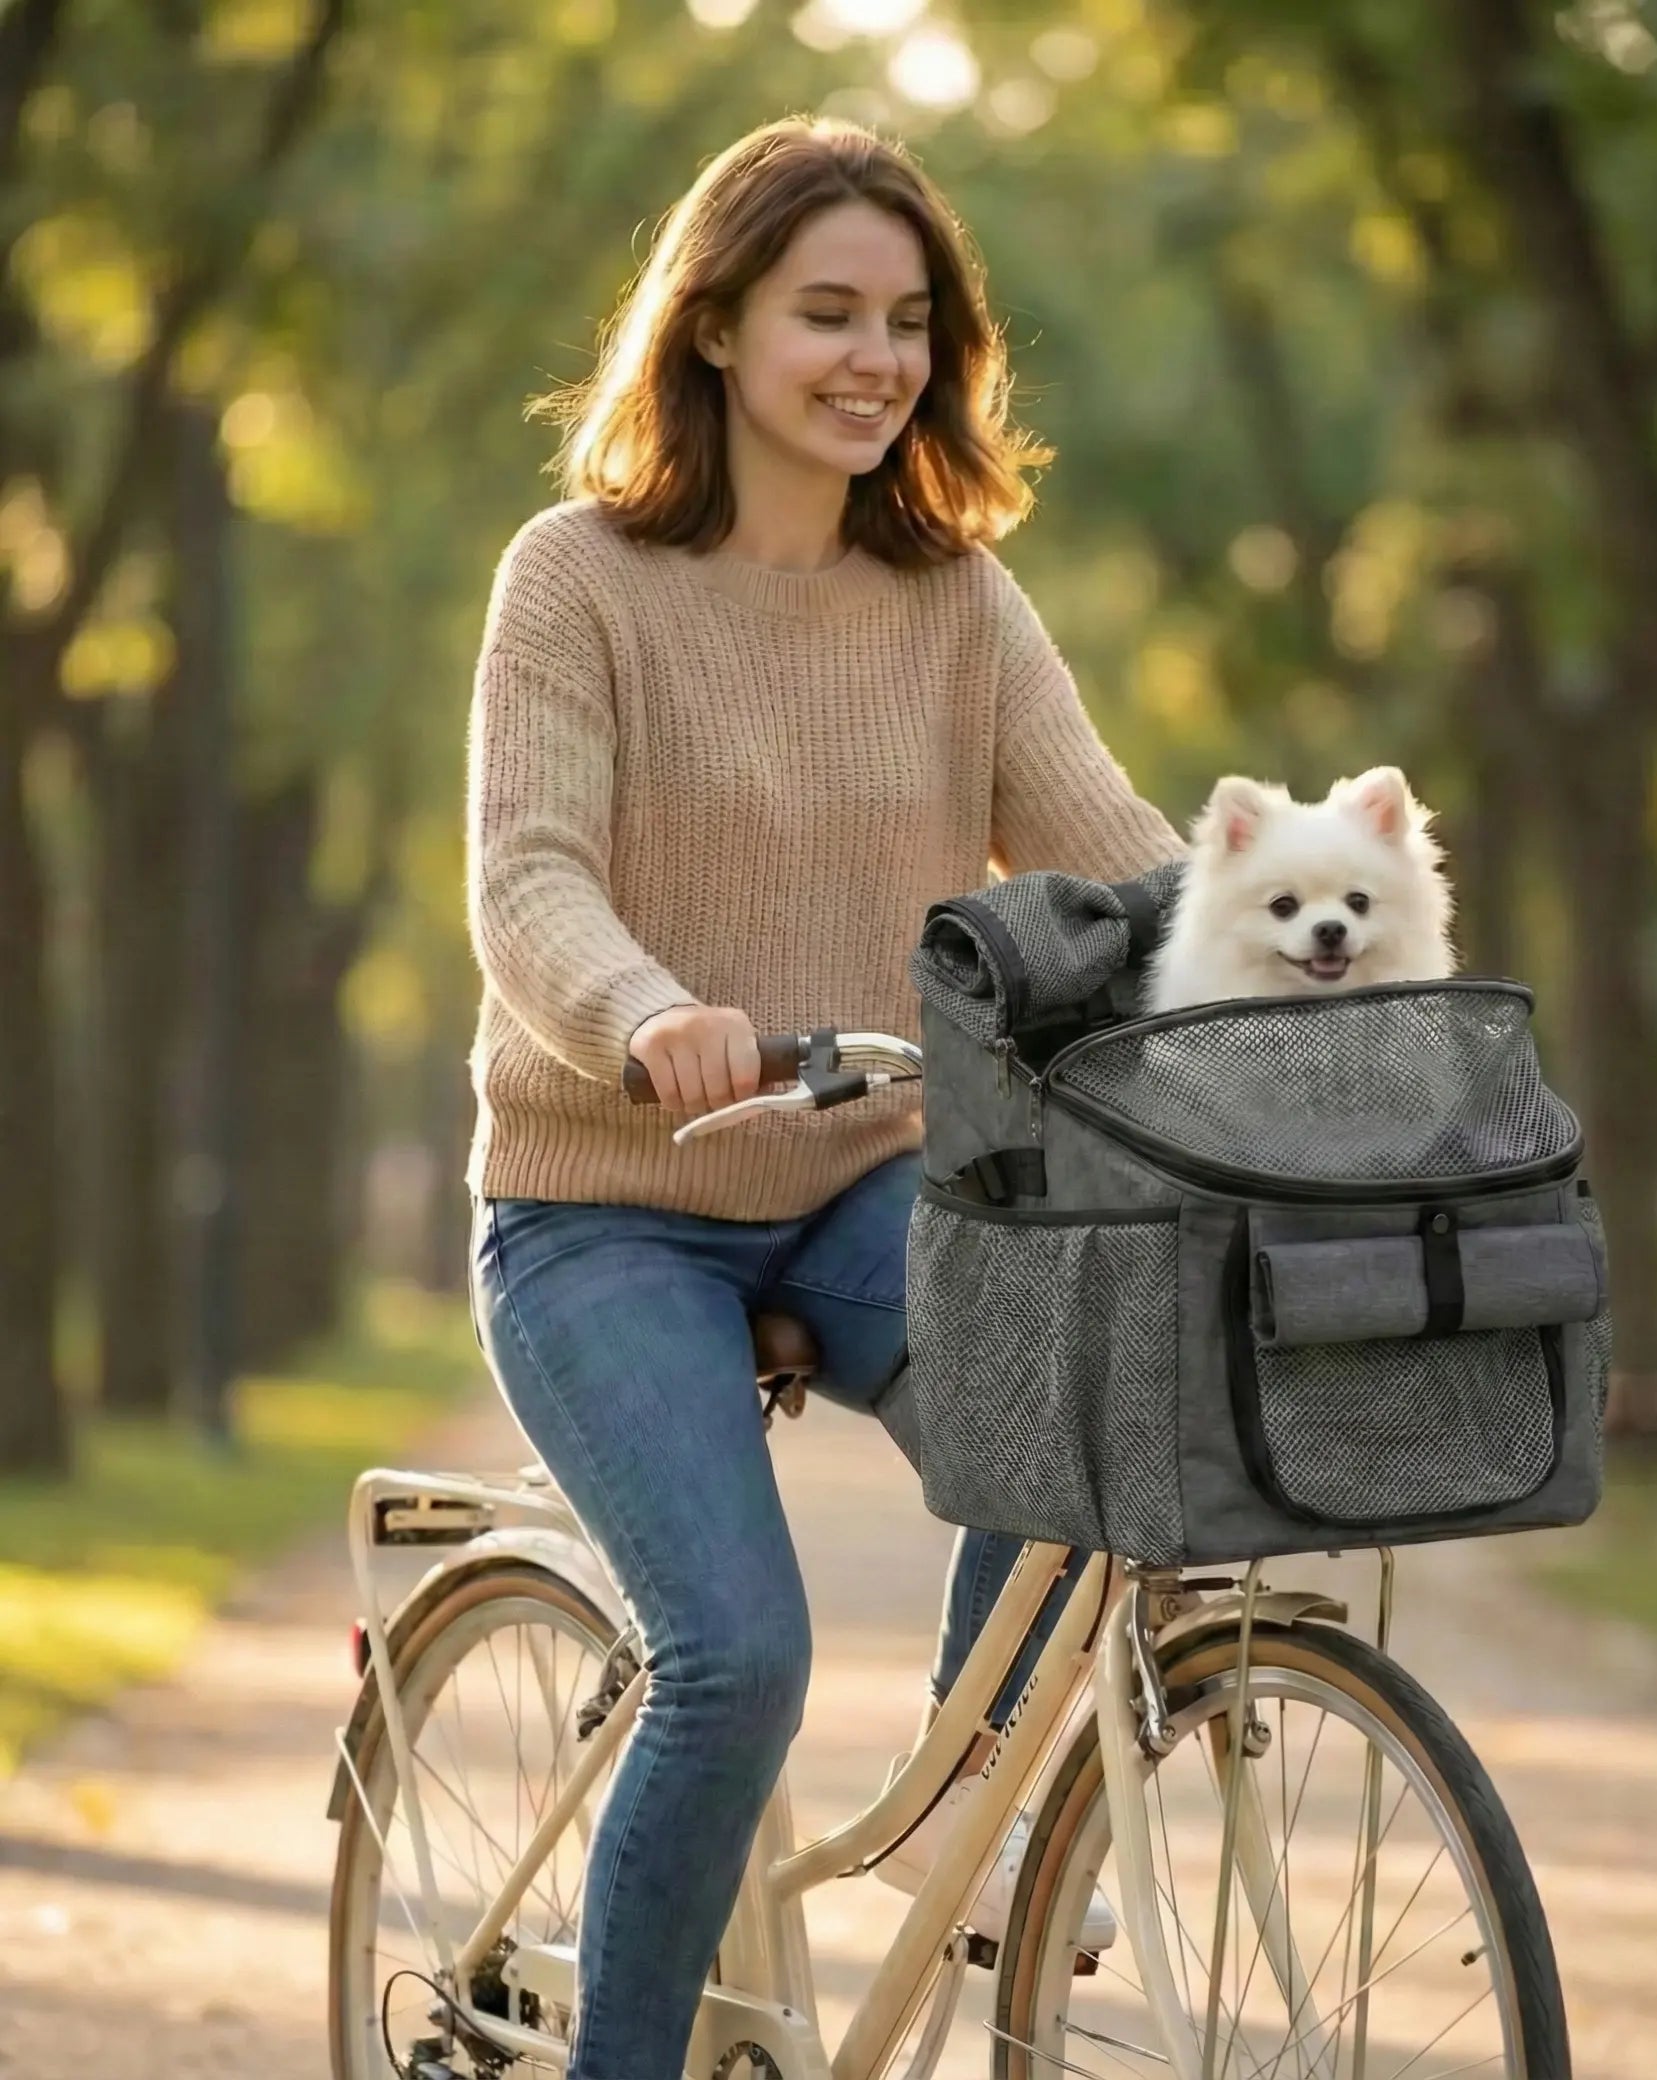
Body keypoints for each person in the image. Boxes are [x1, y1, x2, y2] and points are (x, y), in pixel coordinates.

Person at [464, 116, 1183, 2076]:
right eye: (828, 314)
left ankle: (967, 1799)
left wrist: (1305, 931)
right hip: (606, 1200)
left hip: (861, 1172)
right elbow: (527, 872)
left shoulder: (956, 600)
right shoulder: (579, 578)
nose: (879, 359)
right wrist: (643, 1009)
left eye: (911, 322)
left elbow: (1116, 856)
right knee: (737, 1658)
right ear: (711, 327)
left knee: (1083, 1398)